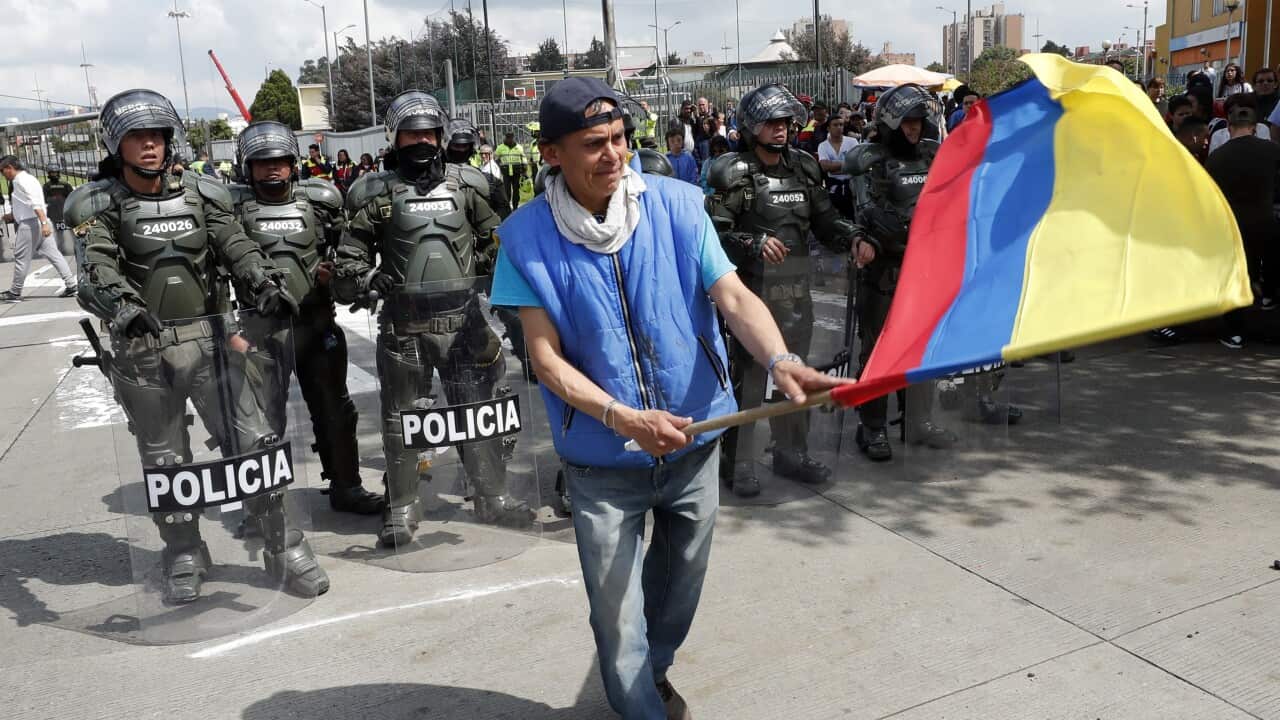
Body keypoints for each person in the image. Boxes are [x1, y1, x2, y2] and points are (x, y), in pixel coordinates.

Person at [490, 75, 846, 720]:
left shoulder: (680, 206)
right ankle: (640, 704)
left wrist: (783, 360)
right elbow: (543, 358)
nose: (614, 155)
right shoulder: (523, 240)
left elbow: (733, 297)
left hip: (693, 440)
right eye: (594, 143)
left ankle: (656, 670)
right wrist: (622, 416)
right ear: (551, 154)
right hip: (602, 457)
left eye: (620, 138)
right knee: (617, 613)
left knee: (680, 586)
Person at [64, 89, 321, 603]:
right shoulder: (97, 204)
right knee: (166, 462)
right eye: (138, 137)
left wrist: (264, 282)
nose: (150, 146)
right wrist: (122, 306)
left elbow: (237, 245)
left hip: (213, 341)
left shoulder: (205, 195)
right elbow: (94, 270)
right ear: (118, 144)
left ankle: (284, 544)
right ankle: (183, 550)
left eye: (156, 135)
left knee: (256, 444)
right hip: (142, 348)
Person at [334, 90, 532, 547]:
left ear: (441, 136)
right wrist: (368, 278)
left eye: (429, 132)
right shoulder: (373, 193)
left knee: (479, 412)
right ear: (394, 138)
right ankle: (402, 507)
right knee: (401, 420)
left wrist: (479, 268)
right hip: (405, 327)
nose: (421, 141)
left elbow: (498, 237)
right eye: (412, 133)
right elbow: (347, 262)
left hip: (464, 322)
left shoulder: (468, 186)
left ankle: (493, 496)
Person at [707, 83, 860, 496]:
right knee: (751, 384)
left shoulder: (805, 167)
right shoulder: (733, 172)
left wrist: (854, 239)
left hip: (797, 293)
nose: (781, 129)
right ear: (753, 125)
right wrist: (751, 243)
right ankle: (736, 460)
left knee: (795, 377)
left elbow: (826, 220)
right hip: (750, 297)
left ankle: (791, 452)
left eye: (786, 122)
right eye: (773, 122)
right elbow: (713, 236)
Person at [228, 121, 384, 517]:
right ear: (247, 166)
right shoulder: (232, 210)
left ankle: (347, 486)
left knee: (335, 410)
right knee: (260, 423)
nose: (272, 168)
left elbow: (346, 253)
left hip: (317, 326)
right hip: (259, 333)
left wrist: (346, 281)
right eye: (262, 162)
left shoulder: (319, 202)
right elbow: (216, 270)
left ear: (293, 161)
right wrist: (229, 331)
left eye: (280, 159)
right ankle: (261, 507)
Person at [844, 83, 963, 461]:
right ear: (891, 123)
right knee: (879, 351)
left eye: (918, 121)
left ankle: (918, 421)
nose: (913, 129)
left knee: (924, 348)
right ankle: (872, 427)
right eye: (907, 122)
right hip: (884, 271)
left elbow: (951, 201)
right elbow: (869, 215)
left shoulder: (932, 153)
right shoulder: (869, 160)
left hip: (927, 270)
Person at [1207, 101, 1280, 346]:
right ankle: (1269, 303)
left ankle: (1235, 332)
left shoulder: (1218, 156)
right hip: (1267, 221)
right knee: (1270, 269)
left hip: (1233, 226)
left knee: (1237, 275)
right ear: (1254, 127)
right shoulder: (1272, 151)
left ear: (1229, 127)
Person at [0, 157, 75, 301]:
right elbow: (30, 203)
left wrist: (43, 222)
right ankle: (72, 285)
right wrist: (11, 215)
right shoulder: (30, 179)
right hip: (41, 222)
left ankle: (15, 292)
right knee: (55, 255)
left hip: (31, 224)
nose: (3, 174)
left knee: (21, 258)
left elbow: (34, 203)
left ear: (9, 167)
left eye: (2, 171)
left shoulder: (19, 181)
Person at [817, 114, 856, 217]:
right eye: (835, 125)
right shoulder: (823, 146)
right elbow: (825, 167)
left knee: (852, 216)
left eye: (841, 125)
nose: (839, 127)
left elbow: (856, 164)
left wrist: (834, 168)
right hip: (833, 187)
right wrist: (847, 165)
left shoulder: (852, 142)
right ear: (828, 128)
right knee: (834, 217)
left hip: (851, 187)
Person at [42, 164, 75, 257]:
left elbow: (71, 197)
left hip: (65, 211)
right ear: (49, 173)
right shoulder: (46, 186)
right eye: (52, 172)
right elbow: (44, 199)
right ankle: (60, 249)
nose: (54, 174)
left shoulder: (65, 185)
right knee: (58, 232)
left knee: (72, 230)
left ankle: (75, 246)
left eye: (55, 172)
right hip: (54, 212)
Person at [495, 129, 527, 211]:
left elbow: (523, 159)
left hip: (516, 172)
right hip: (505, 173)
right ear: (505, 137)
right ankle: (507, 207)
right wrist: (498, 169)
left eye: (511, 137)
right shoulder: (500, 148)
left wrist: (524, 171)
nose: (509, 139)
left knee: (516, 191)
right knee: (507, 191)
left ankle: (515, 207)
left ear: (513, 138)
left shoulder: (519, 147)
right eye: (508, 137)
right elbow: (496, 159)